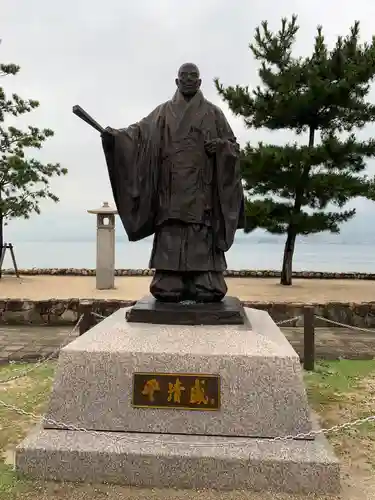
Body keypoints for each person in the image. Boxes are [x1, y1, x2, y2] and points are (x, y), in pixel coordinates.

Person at [101, 63, 244, 303]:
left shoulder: (214, 113)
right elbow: (137, 134)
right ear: (176, 82)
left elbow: (234, 148)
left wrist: (221, 147)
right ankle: (169, 276)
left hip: (202, 191)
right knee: (171, 241)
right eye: (183, 76)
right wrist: (116, 137)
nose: (188, 80)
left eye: (193, 76)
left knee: (206, 271)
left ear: (199, 82)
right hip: (170, 190)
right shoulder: (162, 113)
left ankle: (205, 277)